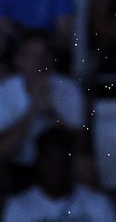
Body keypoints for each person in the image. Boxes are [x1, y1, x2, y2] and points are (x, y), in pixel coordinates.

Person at [0, 32, 85, 174]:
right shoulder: (5, 90)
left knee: (84, 167)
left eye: (45, 55)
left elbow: (79, 143)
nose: (40, 61)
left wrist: (50, 112)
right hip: (14, 163)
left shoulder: (69, 88)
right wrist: (33, 110)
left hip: (58, 166)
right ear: (18, 60)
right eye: (32, 55)